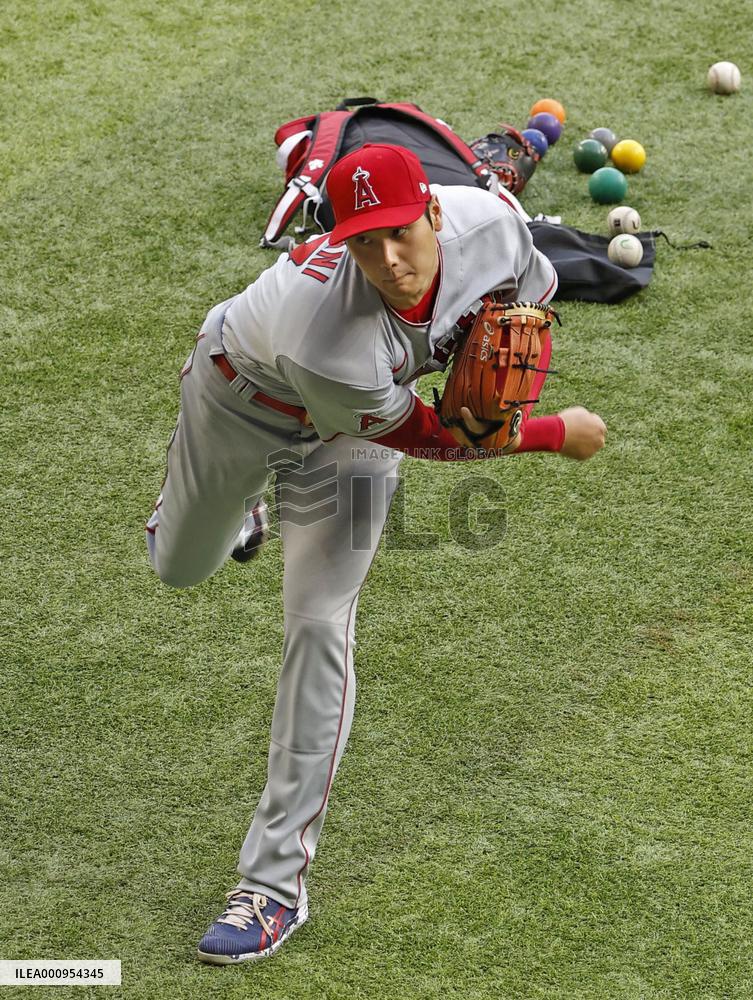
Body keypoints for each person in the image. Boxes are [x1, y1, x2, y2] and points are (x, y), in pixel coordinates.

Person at [145, 143, 606, 965]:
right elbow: (429, 439)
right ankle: (238, 503)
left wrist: (496, 380)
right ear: (343, 240)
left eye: (398, 233)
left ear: (432, 210)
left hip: (345, 450)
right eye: (363, 242)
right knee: (180, 566)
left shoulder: (493, 227)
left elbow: (529, 300)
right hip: (238, 401)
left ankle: (271, 889)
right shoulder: (327, 334)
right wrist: (547, 434)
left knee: (319, 622)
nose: (386, 260)